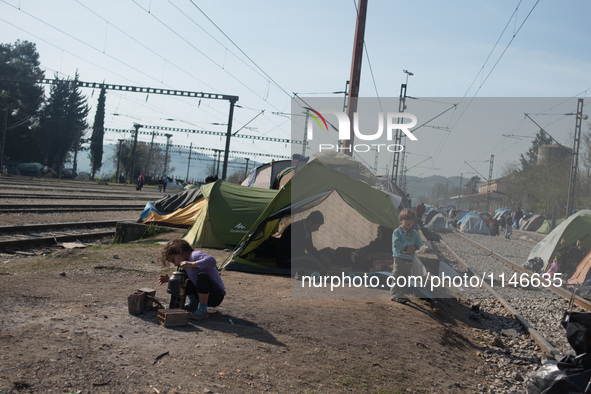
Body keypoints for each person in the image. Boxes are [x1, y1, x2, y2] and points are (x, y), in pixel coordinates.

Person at [158, 239, 226, 319]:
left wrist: (192, 264)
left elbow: (212, 261)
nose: (175, 264)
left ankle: (203, 310)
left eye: (173, 260)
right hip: (201, 295)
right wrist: (169, 279)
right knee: (183, 278)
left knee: (202, 276)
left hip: (215, 296)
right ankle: (194, 303)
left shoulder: (196, 255)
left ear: (179, 251)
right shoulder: (186, 265)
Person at [390, 208, 422, 304]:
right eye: (406, 220)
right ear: (401, 220)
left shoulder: (414, 233)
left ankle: (401, 294)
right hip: (399, 259)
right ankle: (395, 295)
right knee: (397, 277)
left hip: (409, 260)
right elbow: (396, 243)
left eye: (411, 220)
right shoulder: (397, 232)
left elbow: (418, 242)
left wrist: (415, 247)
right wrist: (406, 247)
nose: (409, 222)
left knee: (406, 279)